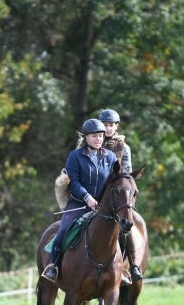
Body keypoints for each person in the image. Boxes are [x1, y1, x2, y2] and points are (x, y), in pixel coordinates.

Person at [42, 119, 117, 283]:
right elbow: (73, 182)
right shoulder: (75, 156)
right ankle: (53, 265)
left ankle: (125, 268)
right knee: (62, 231)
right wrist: (87, 198)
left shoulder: (110, 157)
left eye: (100, 136)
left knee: (121, 231)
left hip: (102, 206)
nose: (98, 139)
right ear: (86, 137)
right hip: (79, 203)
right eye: (94, 136)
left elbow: (113, 181)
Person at [99, 109, 142, 283]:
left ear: (116, 126)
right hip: (94, 192)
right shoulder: (92, 141)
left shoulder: (124, 147)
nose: (108, 129)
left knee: (127, 227)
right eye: (105, 125)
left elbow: (126, 173)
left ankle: (132, 265)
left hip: (115, 193)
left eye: (111, 125)